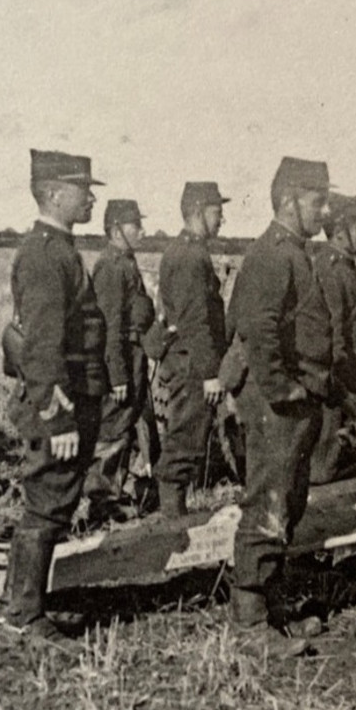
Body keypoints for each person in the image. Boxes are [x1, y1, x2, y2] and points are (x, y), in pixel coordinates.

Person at [222, 156, 336, 654]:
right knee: (267, 502)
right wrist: (282, 388)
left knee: (285, 501)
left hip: (292, 400)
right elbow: (257, 328)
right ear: (289, 201)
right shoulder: (273, 255)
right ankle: (249, 625)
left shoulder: (292, 252)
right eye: (318, 201)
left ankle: (270, 607)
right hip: (277, 405)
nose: (325, 210)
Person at [0, 149, 108, 640]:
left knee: (55, 501)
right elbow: (42, 345)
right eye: (84, 189)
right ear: (56, 194)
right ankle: (21, 614)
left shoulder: (56, 248)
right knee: (46, 502)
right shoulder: (46, 254)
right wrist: (57, 417)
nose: (90, 198)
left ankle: (24, 604)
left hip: (69, 397)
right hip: (59, 404)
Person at [152, 181, 231, 516]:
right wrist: (211, 374)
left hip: (188, 361)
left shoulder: (188, 251)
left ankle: (175, 514)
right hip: (191, 365)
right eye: (217, 211)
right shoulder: (189, 256)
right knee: (184, 440)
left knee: (187, 437)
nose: (222, 219)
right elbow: (195, 321)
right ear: (198, 210)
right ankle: (172, 522)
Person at [84, 198, 158, 525]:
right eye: (134, 225)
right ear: (116, 230)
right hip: (122, 359)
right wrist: (116, 375)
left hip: (134, 356)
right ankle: (102, 503)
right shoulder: (111, 267)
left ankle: (112, 494)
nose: (141, 231)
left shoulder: (125, 262)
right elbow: (109, 326)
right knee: (112, 433)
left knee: (124, 429)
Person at [308, 193, 356, 484]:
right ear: (339, 231)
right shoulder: (330, 270)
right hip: (336, 386)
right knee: (325, 467)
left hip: (350, 380)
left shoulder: (343, 265)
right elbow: (333, 334)